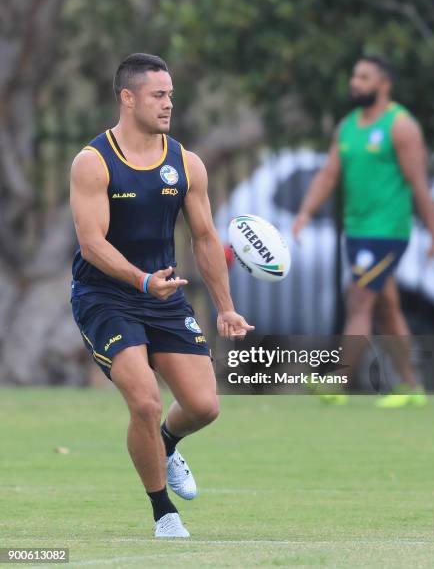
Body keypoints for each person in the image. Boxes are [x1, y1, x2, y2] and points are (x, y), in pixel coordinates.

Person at [70, 53, 254, 537]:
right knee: (146, 402)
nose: (169, 103)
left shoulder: (186, 163)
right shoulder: (93, 162)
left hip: (163, 293)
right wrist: (141, 280)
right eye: (158, 95)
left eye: (170, 94)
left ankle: (167, 444)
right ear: (127, 98)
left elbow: (205, 238)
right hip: (105, 297)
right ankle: (162, 512)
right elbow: (92, 244)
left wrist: (226, 308)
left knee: (203, 405)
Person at [293, 54, 434, 407]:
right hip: (357, 231)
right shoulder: (348, 126)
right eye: (354, 76)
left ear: (383, 84)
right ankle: (411, 386)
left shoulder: (401, 125)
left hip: (387, 232)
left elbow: (419, 185)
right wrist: (305, 212)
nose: (355, 82)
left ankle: (339, 381)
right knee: (387, 307)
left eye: (363, 77)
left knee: (359, 299)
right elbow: (329, 174)